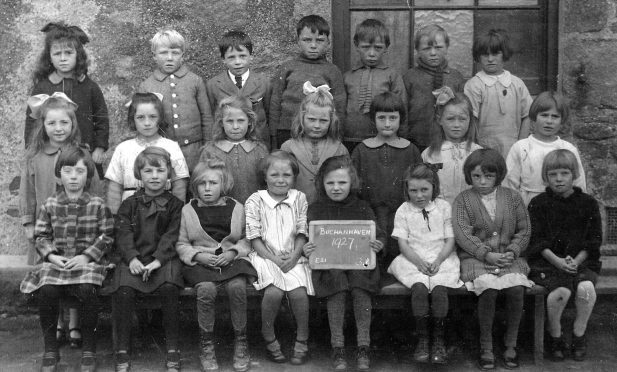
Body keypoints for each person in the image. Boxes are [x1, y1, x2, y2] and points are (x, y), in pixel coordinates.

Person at [20, 92, 104, 348]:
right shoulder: (34, 156)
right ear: (43, 126)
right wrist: (28, 223)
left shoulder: (81, 154)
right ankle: (57, 323)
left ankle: (76, 322)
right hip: (48, 227)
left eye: (64, 123)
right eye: (52, 123)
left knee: (75, 273)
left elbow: (97, 190)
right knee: (52, 276)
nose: (58, 128)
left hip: (79, 226)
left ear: (73, 124)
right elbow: (27, 190)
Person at [20, 146, 113, 372]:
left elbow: (107, 236)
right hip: (58, 263)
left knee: (87, 290)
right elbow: (42, 235)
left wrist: (86, 256)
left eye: (80, 172)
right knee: (47, 291)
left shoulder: (98, 204)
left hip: (86, 264)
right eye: (68, 171)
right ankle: (51, 349)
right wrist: (51, 255)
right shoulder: (50, 204)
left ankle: (88, 350)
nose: (73, 177)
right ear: (59, 174)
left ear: (88, 176)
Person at [303, 155, 385, 371]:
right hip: (330, 267)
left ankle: (363, 345)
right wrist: (307, 248)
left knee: (360, 287)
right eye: (330, 183)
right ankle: (337, 346)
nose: (336, 188)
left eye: (342, 183)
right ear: (322, 184)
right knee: (336, 284)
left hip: (359, 265)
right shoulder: (316, 209)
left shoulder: (363, 207)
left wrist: (378, 244)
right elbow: (307, 238)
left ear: (352, 183)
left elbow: (378, 234)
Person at [453, 148, 532, 370]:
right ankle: (486, 346)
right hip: (476, 259)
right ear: (469, 176)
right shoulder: (463, 200)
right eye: (476, 176)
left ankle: (511, 345)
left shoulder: (513, 198)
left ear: (498, 175)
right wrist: (486, 254)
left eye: (489, 176)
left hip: (509, 259)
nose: (482, 181)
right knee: (488, 291)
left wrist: (513, 251)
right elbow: (462, 233)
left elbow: (524, 229)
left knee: (516, 289)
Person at [107, 147, 185, 372]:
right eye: (148, 170)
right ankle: (122, 348)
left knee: (170, 287)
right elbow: (122, 233)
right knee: (123, 290)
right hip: (134, 258)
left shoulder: (175, 205)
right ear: (139, 174)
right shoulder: (129, 204)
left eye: (160, 170)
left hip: (163, 259)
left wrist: (158, 260)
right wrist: (131, 258)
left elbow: (172, 235)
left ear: (169, 174)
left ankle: (172, 347)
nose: (154, 176)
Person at [177, 157, 257, 372]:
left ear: (223, 184)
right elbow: (182, 243)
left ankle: (241, 340)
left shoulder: (236, 208)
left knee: (237, 287)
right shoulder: (188, 210)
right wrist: (196, 256)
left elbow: (245, 239)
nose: (208, 188)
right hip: (201, 263)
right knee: (206, 290)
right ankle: (207, 343)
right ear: (195, 186)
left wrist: (233, 252)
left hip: (231, 261)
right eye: (202, 184)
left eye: (213, 183)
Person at [527, 149, 602, 362]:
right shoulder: (538, 203)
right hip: (548, 262)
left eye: (564, 173)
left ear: (574, 174)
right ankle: (555, 336)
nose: (559, 179)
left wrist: (576, 261)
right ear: (545, 177)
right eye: (553, 175)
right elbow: (537, 240)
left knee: (586, 289)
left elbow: (593, 240)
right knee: (560, 293)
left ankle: (579, 334)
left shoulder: (588, 203)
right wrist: (558, 261)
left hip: (582, 261)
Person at [388, 163, 463, 365]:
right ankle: (422, 339)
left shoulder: (443, 207)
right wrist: (419, 262)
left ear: (434, 188)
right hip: (413, 258)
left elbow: (450, 240)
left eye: (424, 190)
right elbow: (403, 243)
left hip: (442, 257)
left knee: (439, 288)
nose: (419, 195)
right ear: (407, 190)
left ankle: (438, 340)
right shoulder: (404, 210)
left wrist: (438, 260)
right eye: (413, 190)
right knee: (419, 287)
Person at [244, 151, 313, 365]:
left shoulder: (299, 198)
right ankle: (268, 335)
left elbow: (302, 231)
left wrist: (294, 256)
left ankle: (302, 337)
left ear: (294, 177)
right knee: (273, 292)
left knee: (299, 293)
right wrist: (273, 258)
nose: (281, 180)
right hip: (265, 256)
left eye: (287, 175)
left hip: (293, 255)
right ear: (265, 176)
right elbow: (254, 237)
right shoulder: (255, 200)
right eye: (274, 175)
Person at [25, 22, 109, 178]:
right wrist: (32, 152)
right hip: (50, 155)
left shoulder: (89, 87)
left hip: (84, 154)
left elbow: (102, 119)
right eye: (57, 54)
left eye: (68, 53)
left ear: (78, 54)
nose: (63, 58)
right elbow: (32, 122)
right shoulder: (43, 88)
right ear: (49, 57)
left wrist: (100, 147)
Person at [351, 91, 421, 271]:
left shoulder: (410, 150)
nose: (387, 123)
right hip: (371, 212)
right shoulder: (362, 150)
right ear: (373, 120)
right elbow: (353, 184)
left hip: (402, 213)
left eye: (392, 118)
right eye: (382, 118)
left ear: (401, 119)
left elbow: (419, 182)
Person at [138, 29, 214, 171]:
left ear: (182, 55)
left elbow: (206, 116)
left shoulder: (195, 81)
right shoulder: (146, 86)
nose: (170, 58)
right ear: (154, 56)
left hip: (194, 151)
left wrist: (208, 147)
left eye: (175, 53)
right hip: (162, 152)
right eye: (163, 53)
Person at [269, 14, 346, 148]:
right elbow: (275, 101)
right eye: (307, 40)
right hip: (287, 129)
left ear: (328, 42)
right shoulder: (287, 67)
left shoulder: (333, 71)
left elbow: (339, 105)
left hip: (320, 131)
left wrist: (337, 134)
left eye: (320, 40)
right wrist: (273, 133)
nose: (313, 45)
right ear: (298, 41)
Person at [105, 92, 189, 214]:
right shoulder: (123, 148)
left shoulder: (171, 147)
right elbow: (114, 188)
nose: (147, 123)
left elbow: (179, 186)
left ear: (160, 118)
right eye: (140, 117)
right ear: (133, 119)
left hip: (164, 209)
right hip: (130, 212)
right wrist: (116, 218)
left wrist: (176, 215)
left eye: (152, 117)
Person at [505, 91, 586, 205]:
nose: (549, 121)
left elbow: (578, 183)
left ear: (561, 121)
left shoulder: (568, 149)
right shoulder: (521, 147)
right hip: (527, 203)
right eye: (544, 115)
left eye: (555, 116)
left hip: (562, 205)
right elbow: (510, 184)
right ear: (534, 118)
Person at [464, 29, 533, 158]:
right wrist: (475, 149)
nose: (490, 59)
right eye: (485, 55)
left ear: (504, 54)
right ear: (478, 57)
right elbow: (471, 121)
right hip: (483, 150)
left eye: (495, 54)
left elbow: (527, 115)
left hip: (513, 149)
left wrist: (521, 145)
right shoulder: (474, 85)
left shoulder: (517, 84)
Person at [343, 18, 406, 152]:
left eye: (378, 48)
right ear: (356, 45)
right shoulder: (348, 76)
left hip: (383, 137)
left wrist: (400, 135)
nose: (372, 53)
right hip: (351, 137)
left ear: (386, 48)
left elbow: (401, 107)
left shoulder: (392, 75)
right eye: (365, 47)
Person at [281, 82, 348, 203]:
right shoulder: (288, 147)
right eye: (311, 120)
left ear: (331, 121)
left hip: (328, 208)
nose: (317, 126)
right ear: (302, 118)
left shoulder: (339, 149)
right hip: (295, 206)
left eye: (323, 121)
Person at [404, 24, 465, 152]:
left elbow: (463, 110)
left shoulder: (456, 77)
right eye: (426, 48)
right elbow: (403, 112)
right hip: (416, 141)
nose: (433, 53)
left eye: (438, 47)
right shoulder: (410, 77)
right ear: (417, 50)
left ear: (447, 48)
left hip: (449, 141)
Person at [206, 30, 271, 148]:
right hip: (226, 144)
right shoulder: (213, 85)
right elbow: (211, 116)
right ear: (223, 59)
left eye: (242, 56)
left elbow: (268, 113)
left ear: (251, 56)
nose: (237, 62)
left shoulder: (263, 82)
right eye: (231, 57)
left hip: (257, 143)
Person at [199, 95, 269, 203]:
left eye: (241, 120)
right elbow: (202, 183)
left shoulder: (259, 150)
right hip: (221, 210)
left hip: (255, 211)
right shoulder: (210, 151)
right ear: (221, 123)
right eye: (230, 121)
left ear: (250, 121)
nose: (235, 126)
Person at [422, 86, 481, 205]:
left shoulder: (478, 152)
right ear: (439, 120)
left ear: (470, 120)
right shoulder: (430, 154)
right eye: (450, 119)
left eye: (462, 119)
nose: (456, 125)